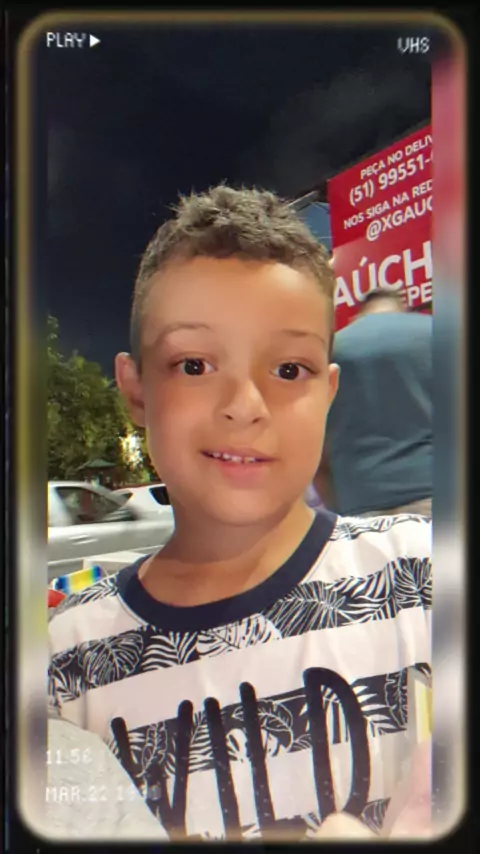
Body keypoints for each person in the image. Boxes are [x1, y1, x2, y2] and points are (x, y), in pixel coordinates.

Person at [48, 186, 432, 842]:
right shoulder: (65, 665)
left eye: (289, 369)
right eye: (194, 365)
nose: (245, 405)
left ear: (329, 392)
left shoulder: (423, 576)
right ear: (136, 389)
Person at [315, 289, 432, 518]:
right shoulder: (434, 331)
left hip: (361, 502)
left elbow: (317, 449)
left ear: (358, 315)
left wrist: (340, 509)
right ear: (403, 308)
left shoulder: (330, 350)